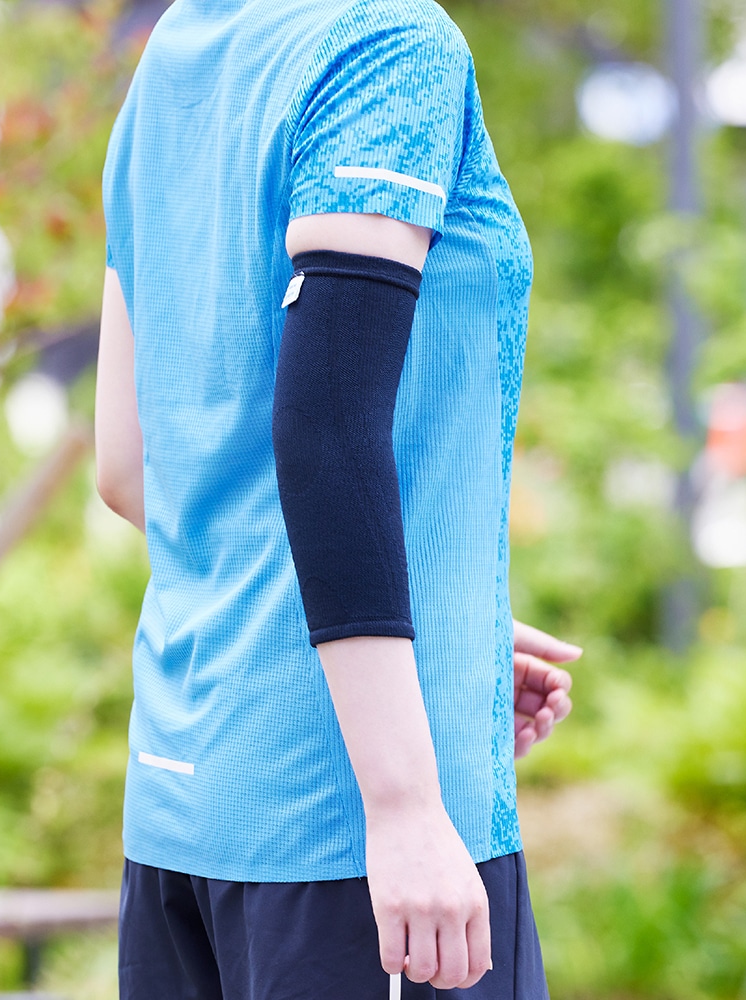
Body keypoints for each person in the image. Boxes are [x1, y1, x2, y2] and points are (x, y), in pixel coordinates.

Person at [95, 0, 583, 996]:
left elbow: (131, 465)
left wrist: (430, 620)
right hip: (344, 826)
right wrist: (403, 801)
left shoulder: (180, 49)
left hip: (182, 815)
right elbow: (323, 430)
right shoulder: (386, 44)